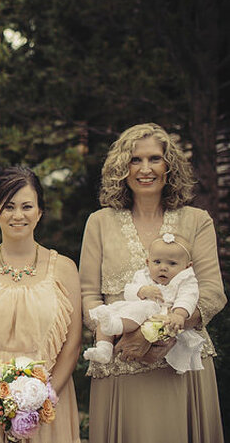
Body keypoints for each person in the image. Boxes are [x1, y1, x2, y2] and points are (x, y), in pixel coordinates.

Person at [80, 123, 226, 442]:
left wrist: (160, 333)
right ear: (121, 167)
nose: (145, 169)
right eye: (135, 160)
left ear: (169, 166)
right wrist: (120, 335)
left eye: (155, 159)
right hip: (121, 360)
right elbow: (88, 294)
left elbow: (213, 293)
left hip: (181, 366)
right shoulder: (99, 222)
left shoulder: (197, 220)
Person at [0, 166, 82, 443]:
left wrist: (41, 398)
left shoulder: (65, 269)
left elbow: (73, 344)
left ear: (40, 212)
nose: (18, 215)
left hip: (46, 397)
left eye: (27, 206)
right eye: (8, 206)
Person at [84, 232, 205, 374]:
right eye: (157, 262)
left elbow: (188, 297)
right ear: (148, 262)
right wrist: (141, 291)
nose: (163, 267)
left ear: (187, 266)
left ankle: (113, 326)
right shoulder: (143, 275)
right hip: (135, 313)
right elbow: (129, 291)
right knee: (107, 314)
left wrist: (179, 314)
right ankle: (104, 348)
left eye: (172, 263)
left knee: (139, 311)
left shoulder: (185, 279)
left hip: (160, 317)